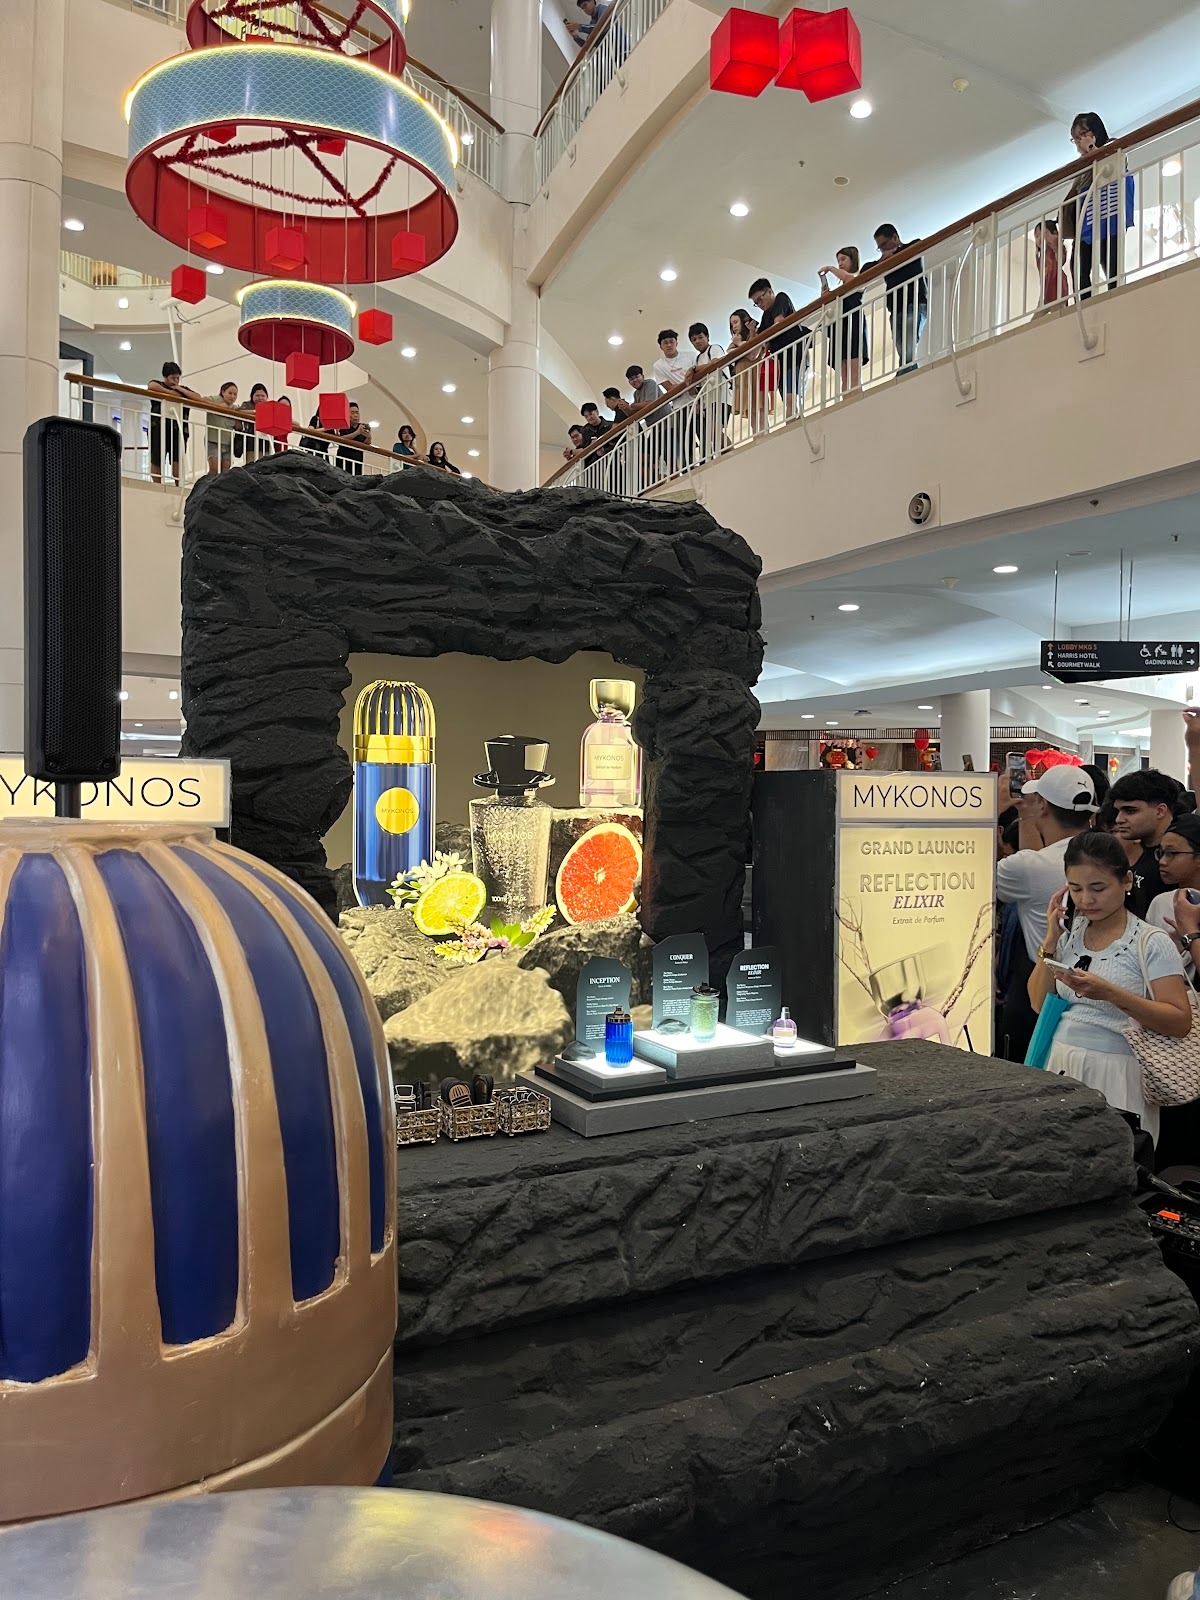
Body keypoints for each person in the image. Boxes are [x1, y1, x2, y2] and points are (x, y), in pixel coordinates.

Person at [1029, 830, 1191, 1150]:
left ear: (1126, 881)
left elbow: (1179, 1021)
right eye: (1076, 889)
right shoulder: (1071, 934)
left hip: (1118, 1068)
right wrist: (1050, 942)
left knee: (1114, 1160)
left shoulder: (1150, 941)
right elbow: (1037, 1002)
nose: (1086, 900)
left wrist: (1110, 993)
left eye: (1098, 888)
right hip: (1060, 1060)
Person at [995, 763, 1100, 1061]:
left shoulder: (1030, 867)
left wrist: (993, 809)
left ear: (1043, 804)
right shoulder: (1106, 854)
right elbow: (1036, 861)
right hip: (1095, 990)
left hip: (1041, 990)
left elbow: (972, 876)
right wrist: (1026, 816)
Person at [1062, 111, 1131, 300]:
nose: (1079, 141)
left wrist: (1092, 148)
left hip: (1108, 213)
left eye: (1083, 134)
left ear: (1096, 131)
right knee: (1080, 266)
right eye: (1075, 138)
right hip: (1086, 219)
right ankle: (1084, 303)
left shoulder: (1112, 146)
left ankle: (1116, 296)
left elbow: (1112, 169)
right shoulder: (1081, 163)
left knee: (1110, 260)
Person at [1108, 768, 1181, 916]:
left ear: (1160, 811)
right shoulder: (1138, 852)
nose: (1119, 819)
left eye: (1130, 811)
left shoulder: (1181, 858)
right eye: (1118, 811)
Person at [1146, 812, 1200, 986]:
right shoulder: (1160, 902)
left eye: (1171, 853)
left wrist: (1189, 934)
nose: (1162, 861)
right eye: (1161, 853)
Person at [869, 225, 928, 375]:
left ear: (895, 237)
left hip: (914, 303)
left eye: (884, 244)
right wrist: (882, 262)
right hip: (896, 309)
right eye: (879, 247)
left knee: (908, 349)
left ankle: (902, 378)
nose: (882, 249)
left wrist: (895, 254)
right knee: (903, 350)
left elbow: (918, 245)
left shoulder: (911, 247)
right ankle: (907, 376)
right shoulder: (884, 260)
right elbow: (865, 270)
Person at [749, 277, 808, 422]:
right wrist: (752, 331)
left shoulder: (781, 298)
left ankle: (793, 424)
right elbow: (758, 344)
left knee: (791, 397)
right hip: (781, 361)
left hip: (794, 354)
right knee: (787, 398)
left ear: (770, 292)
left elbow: (778, 324)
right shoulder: (765, 316)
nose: (759, 304)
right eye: (756, 303)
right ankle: (792, 423)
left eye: (760, 299)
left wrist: (763, 337)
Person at [818, 247, 869, 390]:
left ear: (853, 259)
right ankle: (847, 400)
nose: (840, 263)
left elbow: (848, 279)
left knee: (854, 374)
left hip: (854, 326)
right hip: (840, 328)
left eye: (843, 259)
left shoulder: (858, 276)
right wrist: (825, 295)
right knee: (844, 377)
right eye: (838, 261)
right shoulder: (841, 289)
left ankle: (855, 400)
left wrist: (830, 268)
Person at [147, 360, 201, 485]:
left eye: (178, 378)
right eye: (173, 378)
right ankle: (157, 485)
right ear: (165, 377)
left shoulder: (183, 390)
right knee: (157, 457)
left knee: (178, 458)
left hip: (179, 428)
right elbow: (151, 386)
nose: (175, 381)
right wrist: (174, 394)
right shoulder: (158, 385)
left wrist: (179, 389)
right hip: (159, 427)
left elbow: (198, 397)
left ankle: (178, 484)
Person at [686, 321, 729, 461]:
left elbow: (716, 363)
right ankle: (727, 455)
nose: (697, 342)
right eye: (694, 340)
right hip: (708, 401)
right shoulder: (698, 359)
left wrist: (693, 369)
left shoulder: (714, 348)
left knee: (715, 431)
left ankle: (732, 453)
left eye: (700, 337)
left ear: (707, 337)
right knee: (712, 434)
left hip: (721, 396)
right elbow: (697, 388)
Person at [727, 308, 760, 425]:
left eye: (736, 322)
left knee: (758, 407)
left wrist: (740, 344)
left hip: (754, 374)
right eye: (732, 324)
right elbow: (729, 352)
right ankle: (757, 433)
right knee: (751, 410)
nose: (734, 326)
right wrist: (741, 345)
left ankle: (762, 433)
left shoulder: (754, 334)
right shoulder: (735, 341)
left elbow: (753, 355)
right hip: (743, 377)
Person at [1033, 220, 1068, 314]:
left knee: (1058, 316)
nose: (1039, 238)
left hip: (1058, 292)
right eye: (1036, 236)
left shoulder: (1054, 249)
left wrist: (1055, 242)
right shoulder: (1040, 258)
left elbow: (1061, 260)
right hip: (1046, 294)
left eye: (1044, 233)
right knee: (1037, 320)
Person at [205, 380, 239, 474]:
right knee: (214, 469)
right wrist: (218, 406)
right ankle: (208, 483)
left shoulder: (234, 408)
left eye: (235, 394)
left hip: (228, 443)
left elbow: (238, 426)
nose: (232, 396)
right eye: (230, 393)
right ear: (223, 392)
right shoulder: (214, 399)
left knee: (225, 472)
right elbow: (200, 400)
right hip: (213, 440)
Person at [332, 402, 372, 474]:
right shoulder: (343, 425)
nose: (356, 415)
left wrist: (369, 437)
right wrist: (357, 432)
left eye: (357, 413)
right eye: (352, 413)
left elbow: (366, 443)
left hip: (358, 460)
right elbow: (341, 439)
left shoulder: (363, 426)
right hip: (344, 459)